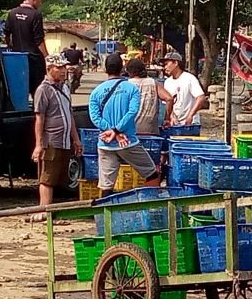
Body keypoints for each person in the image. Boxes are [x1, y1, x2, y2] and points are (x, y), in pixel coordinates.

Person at [89, 53, 160, 196]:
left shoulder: (96, 92)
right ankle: (151, 207)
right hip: (128, 142)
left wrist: (110, 131)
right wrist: (117, 131)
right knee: (151, 173)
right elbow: (132, 112)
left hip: (105, 143)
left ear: (105, 69)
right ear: (122, 69)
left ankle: (105, 215)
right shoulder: (131, 89)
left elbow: (95, 117)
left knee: (106, 186)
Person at [32, 54, 83, 221]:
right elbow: (40, 119)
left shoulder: (65, 88)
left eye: (64, 67)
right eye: (59, 68)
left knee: (59, 178)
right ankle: (43, 212)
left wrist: (75, 139)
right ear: (49, 69)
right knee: (47, 178)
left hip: (64, 140)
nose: (63, 71)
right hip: (51, 141)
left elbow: (69, 115)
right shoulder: (43, 90)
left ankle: (52, 211)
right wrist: (39, 145)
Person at [5, 0, 48, 99]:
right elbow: (39, 40)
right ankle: (37, 113)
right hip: (34, 60)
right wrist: (47, 57)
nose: (40, 3)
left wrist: (12, 48)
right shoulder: (36, 15)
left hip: (17, 59)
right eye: (40, 0)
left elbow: (7, 34)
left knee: (19, 90)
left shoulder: (12, 13)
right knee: (37, 92)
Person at [126, 57, 174, 135]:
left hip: (131, 131)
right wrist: (167, 119)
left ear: (130, 72)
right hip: (150, 130)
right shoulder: (153, 83)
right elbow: (169, 99)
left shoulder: (127, 84)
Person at [161, 51, 206, 126]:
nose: (165, 67)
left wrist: (190, 115)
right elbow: (168, 103)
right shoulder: (167, 82)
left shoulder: (189, 78)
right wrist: (172, 117)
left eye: (166, 64)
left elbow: (200, 97)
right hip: (175, 123)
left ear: (175, 63)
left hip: (191, 123)